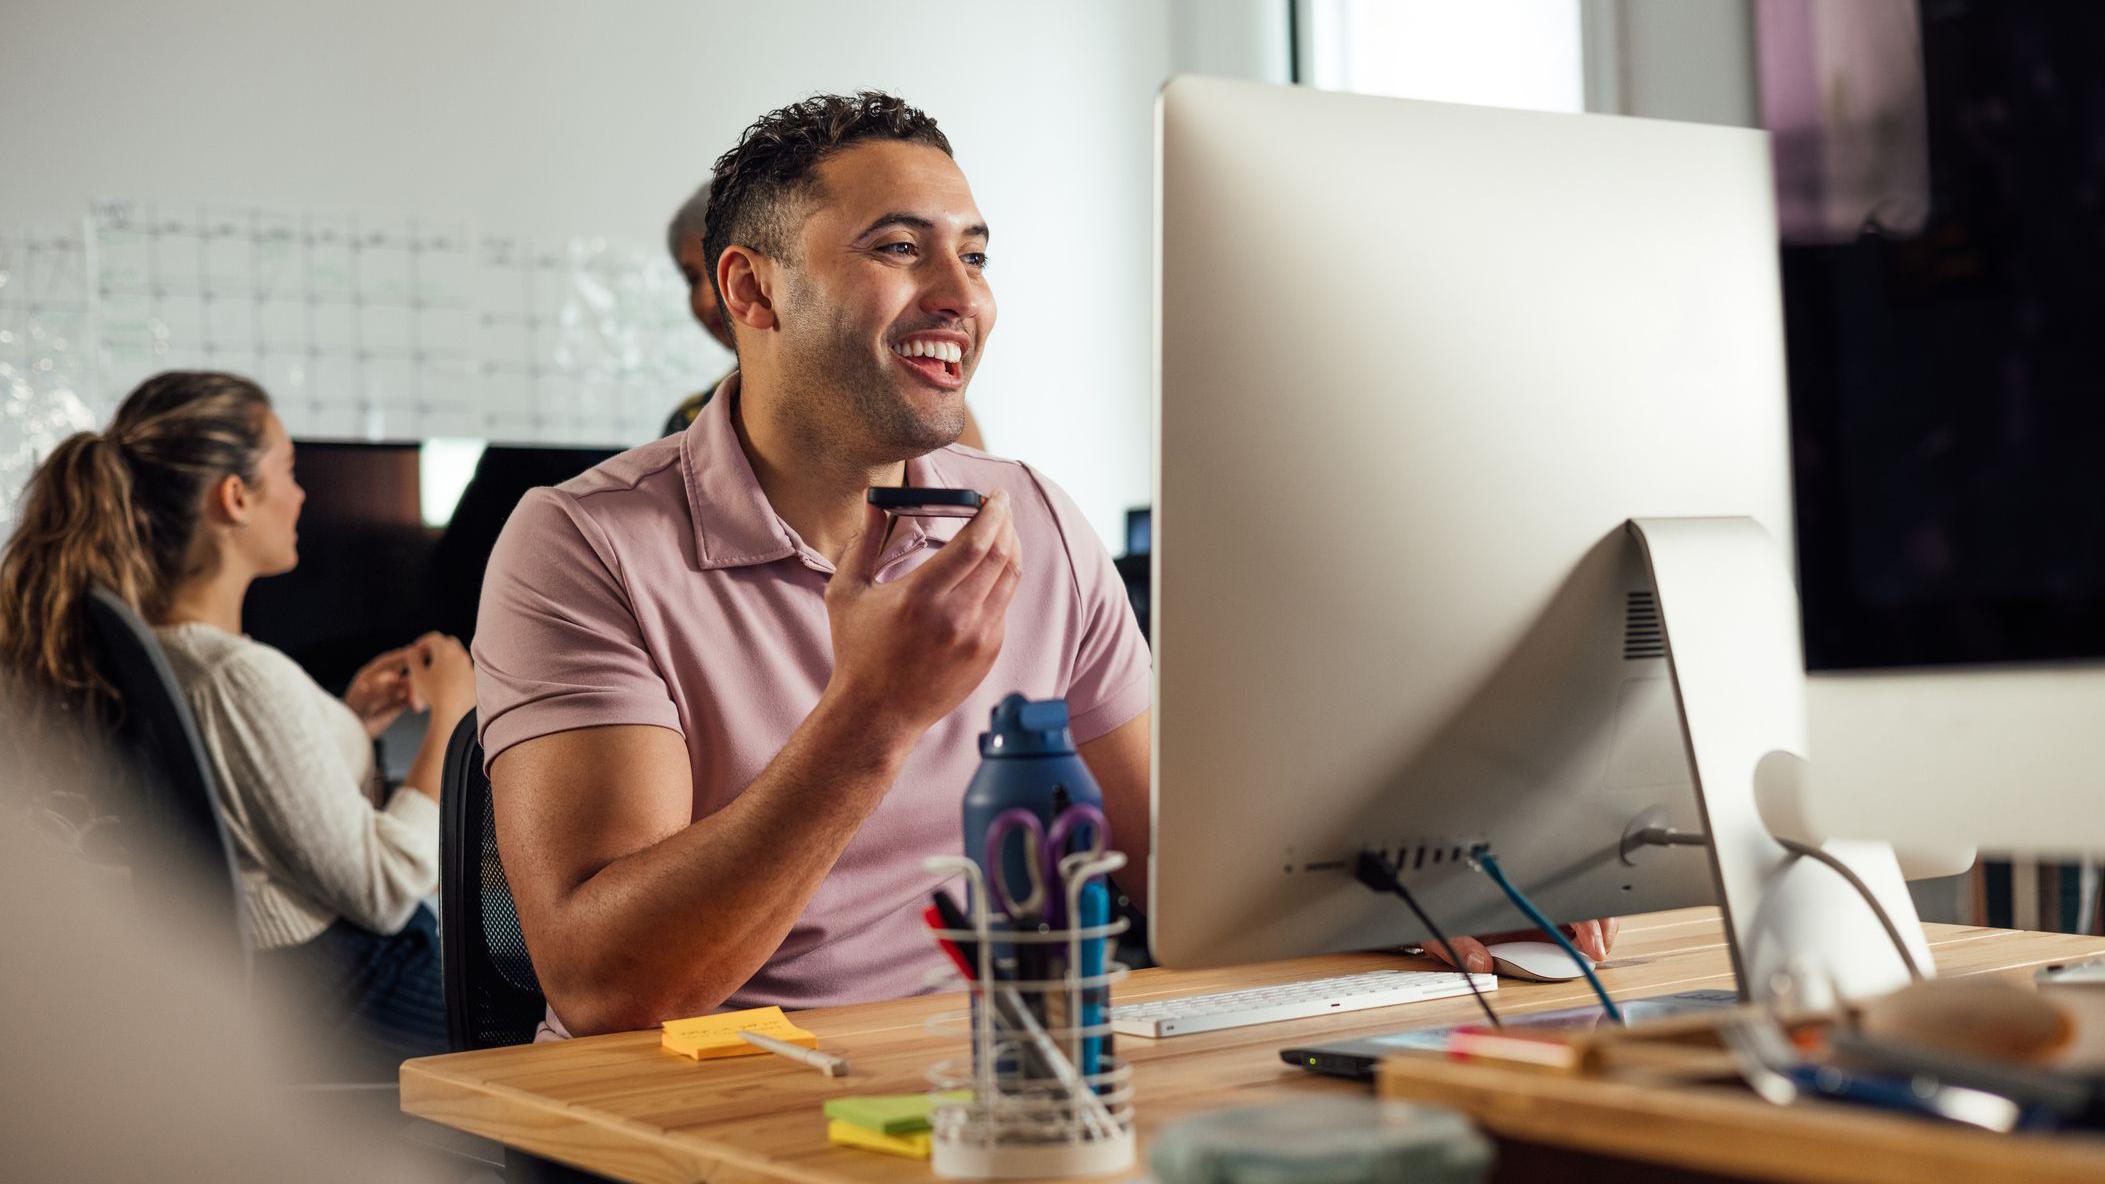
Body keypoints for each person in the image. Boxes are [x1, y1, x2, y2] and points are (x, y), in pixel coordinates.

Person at [476, 92, 1146, 1037]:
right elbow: (606, 989)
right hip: (705, 1089)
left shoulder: (1035, 519)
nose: (962, 296)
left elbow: (1180, 875)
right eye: (900, 248)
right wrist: (877, 711)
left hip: (981, 1075)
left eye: (974, 256)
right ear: (753, 291)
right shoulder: (582, 543)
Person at [0, 370, 475, 1068]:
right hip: (349, 991)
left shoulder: (169, 654)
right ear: (234, 497)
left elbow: (257, 804)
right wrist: (452, 720)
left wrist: (346, 722)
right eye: (289, 470)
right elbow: (386, 886)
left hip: (299, 980)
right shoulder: (237, 678)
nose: (301, 493)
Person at [662, 173, 985, 448]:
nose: (709, 299)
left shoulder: (916, 408)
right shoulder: (688, 423)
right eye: (693, 278)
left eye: (974, 258)